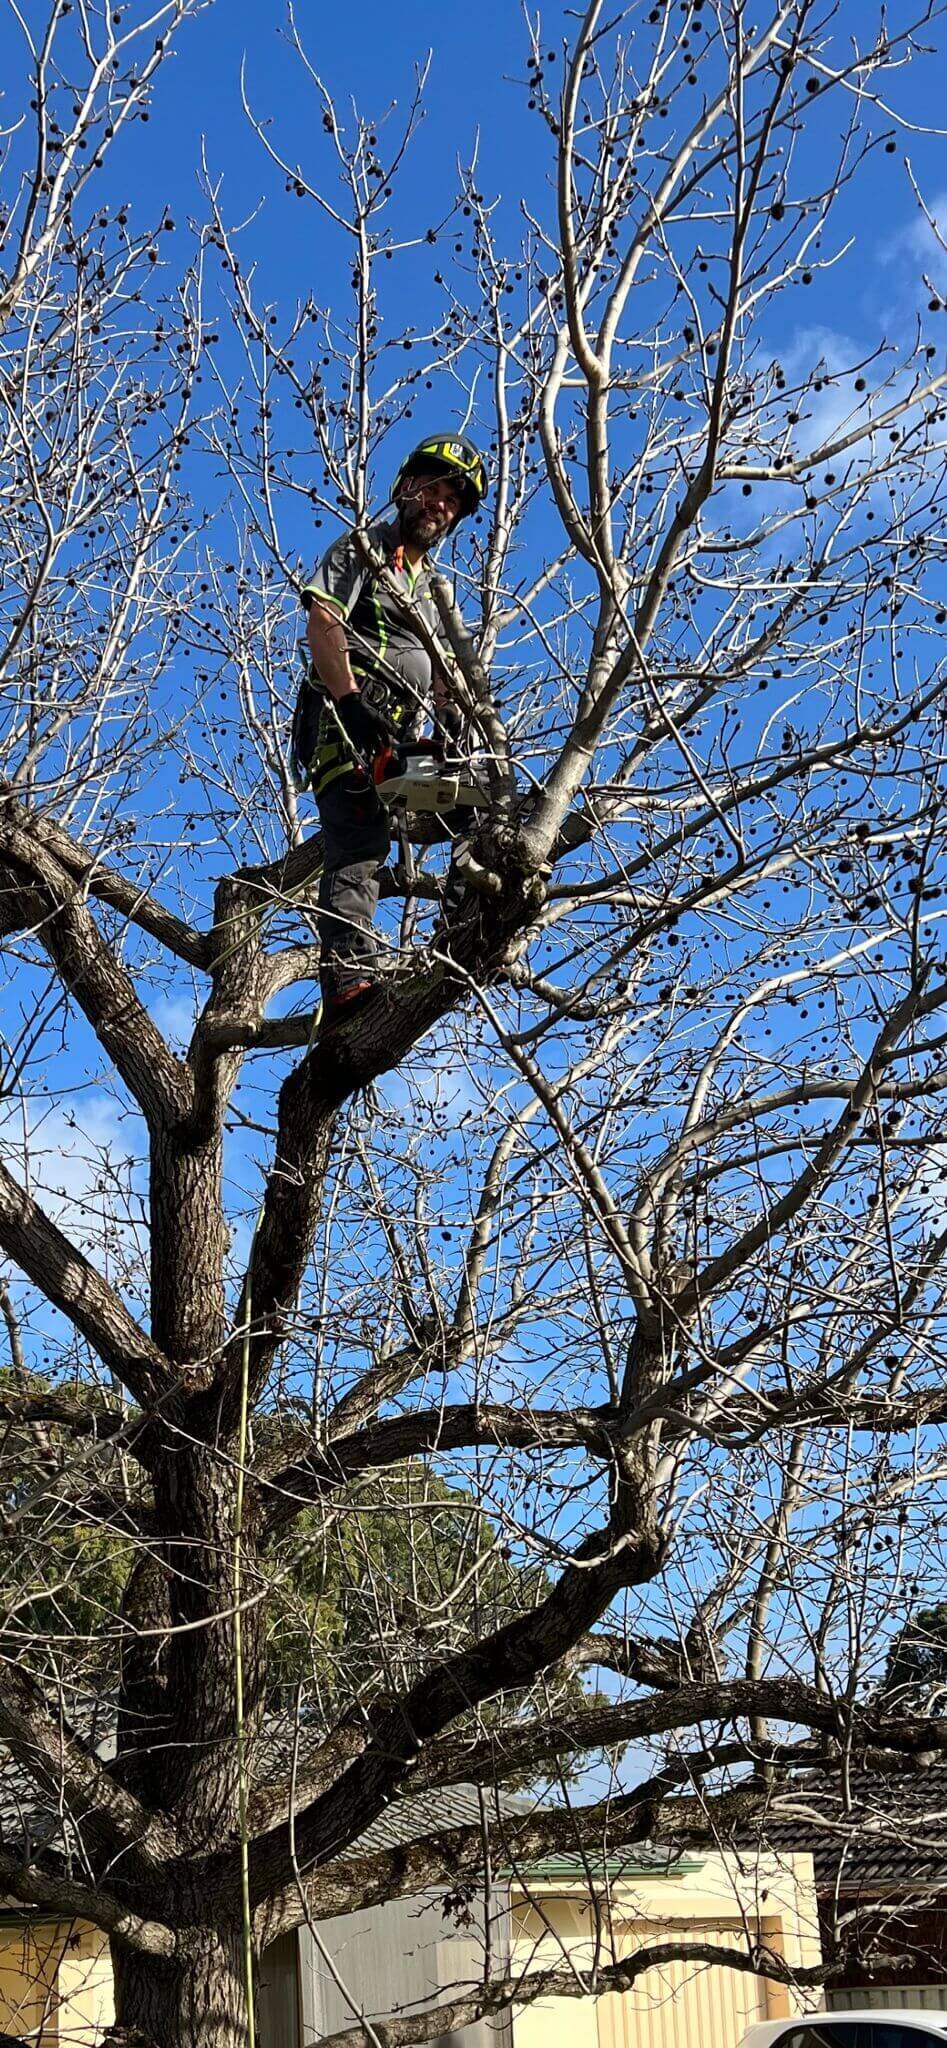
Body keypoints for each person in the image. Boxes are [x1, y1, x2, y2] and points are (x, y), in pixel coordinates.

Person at [294, 434, 488, 1024]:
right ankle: (350, 978)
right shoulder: (363, 549)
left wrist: (456, 721)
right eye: (434, 489)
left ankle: (463, 936)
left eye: (454, 500)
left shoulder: (433, 590)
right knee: (360, 842)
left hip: (399, 746)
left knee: (478, 811)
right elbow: (323, 620)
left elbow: (443, 677)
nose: (441, 505)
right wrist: (349, 700)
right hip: (342, 727)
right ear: (406, 488)